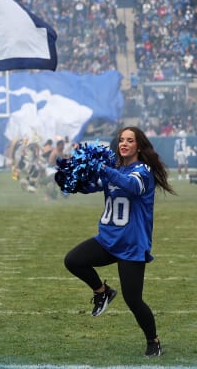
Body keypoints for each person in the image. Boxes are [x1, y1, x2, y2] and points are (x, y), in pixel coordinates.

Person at [63, 126, 175, 357]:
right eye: (121, 140)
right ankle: (102, 291)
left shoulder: (143, 171)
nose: (123, 143)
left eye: (130, 140)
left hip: (132, 245)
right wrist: (73, 178)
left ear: (139, 146)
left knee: (133, 300)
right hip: (107, 239)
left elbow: (132, 186)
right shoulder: (114, 168)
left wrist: (104, 167)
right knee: (73, 260)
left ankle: (153, 341)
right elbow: (91, 186)